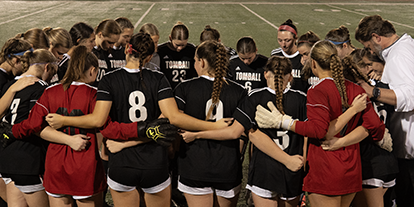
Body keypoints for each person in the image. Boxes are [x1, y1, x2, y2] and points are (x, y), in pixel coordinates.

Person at [44, 33, 231, 207]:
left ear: (127, 49)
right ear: (150, 57)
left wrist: (64, 120)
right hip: (154, 162)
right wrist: (213, 125)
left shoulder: (109, 79)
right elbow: (174, 117)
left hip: (121, 161)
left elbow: (98, 120)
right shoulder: (158, 79)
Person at [3, 46, 173, 207]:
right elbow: (110, 129)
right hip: (84, 165)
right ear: (92, 70)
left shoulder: (49, 91)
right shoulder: (95, 95)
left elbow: (32, 124)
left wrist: (13, 132)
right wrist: (142, 128)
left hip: (55, 165)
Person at [256, 40, 385, 207]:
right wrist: (342, 142)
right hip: (351, 168)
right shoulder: (355, 89)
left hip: (325, 169)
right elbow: (376, 127)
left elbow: (318, 130)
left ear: (314, 63)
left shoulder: (318, 91)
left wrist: (285, 122)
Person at [181, 56, 306, 207]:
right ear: (291, 76)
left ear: (265, 74)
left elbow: (234, 132)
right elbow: (307, 136)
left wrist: (197, 134)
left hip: (264, 170)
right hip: (293, 169)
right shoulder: (302, 99)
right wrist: (302, 163)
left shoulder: (255, 97)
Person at [174, 40, 248, 207]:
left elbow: (177, 122)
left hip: (194, 164)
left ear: (202, 61)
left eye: (194, 60)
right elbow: (241, 134)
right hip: (227, 166)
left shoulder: (184, 88)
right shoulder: (239, 91)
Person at [355, 15, 414, 207]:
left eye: (368, 46)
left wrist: (374, 91)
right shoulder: (405, 47)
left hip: (410, 152)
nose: (369, 51)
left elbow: (410, 96)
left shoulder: (398, 56)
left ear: (376, 37)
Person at [0, 49, 68, 207]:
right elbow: (36, 125)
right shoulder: (40, 87)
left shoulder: (10, 85)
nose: (52, 77)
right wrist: (68, 139)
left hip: (6, 157)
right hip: (27, 158)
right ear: (46, 67)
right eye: (53, 71)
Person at [0, 38, 38, 207]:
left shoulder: (6, 75)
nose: (28, 67)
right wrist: (14, 89)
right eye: (26, 62)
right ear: (15, 60)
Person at [271, 19, 308, 93]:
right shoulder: (275, 55)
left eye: (287, 40)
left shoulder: (303, 55)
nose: (283, 45)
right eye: (280, 40)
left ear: (295, 38)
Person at [157, 22, 197, 89]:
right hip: (167, 91)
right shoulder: (162, 50)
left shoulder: (192, 50)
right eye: (177, 45)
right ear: (170, 38)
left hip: (186, 91)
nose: (180, 48)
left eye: (183, 45)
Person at [91, 19, 122, 86]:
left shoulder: (106, 51)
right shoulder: (88, 51)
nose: (112, 46)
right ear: (100, 34)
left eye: (114, 43)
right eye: (109, 42)